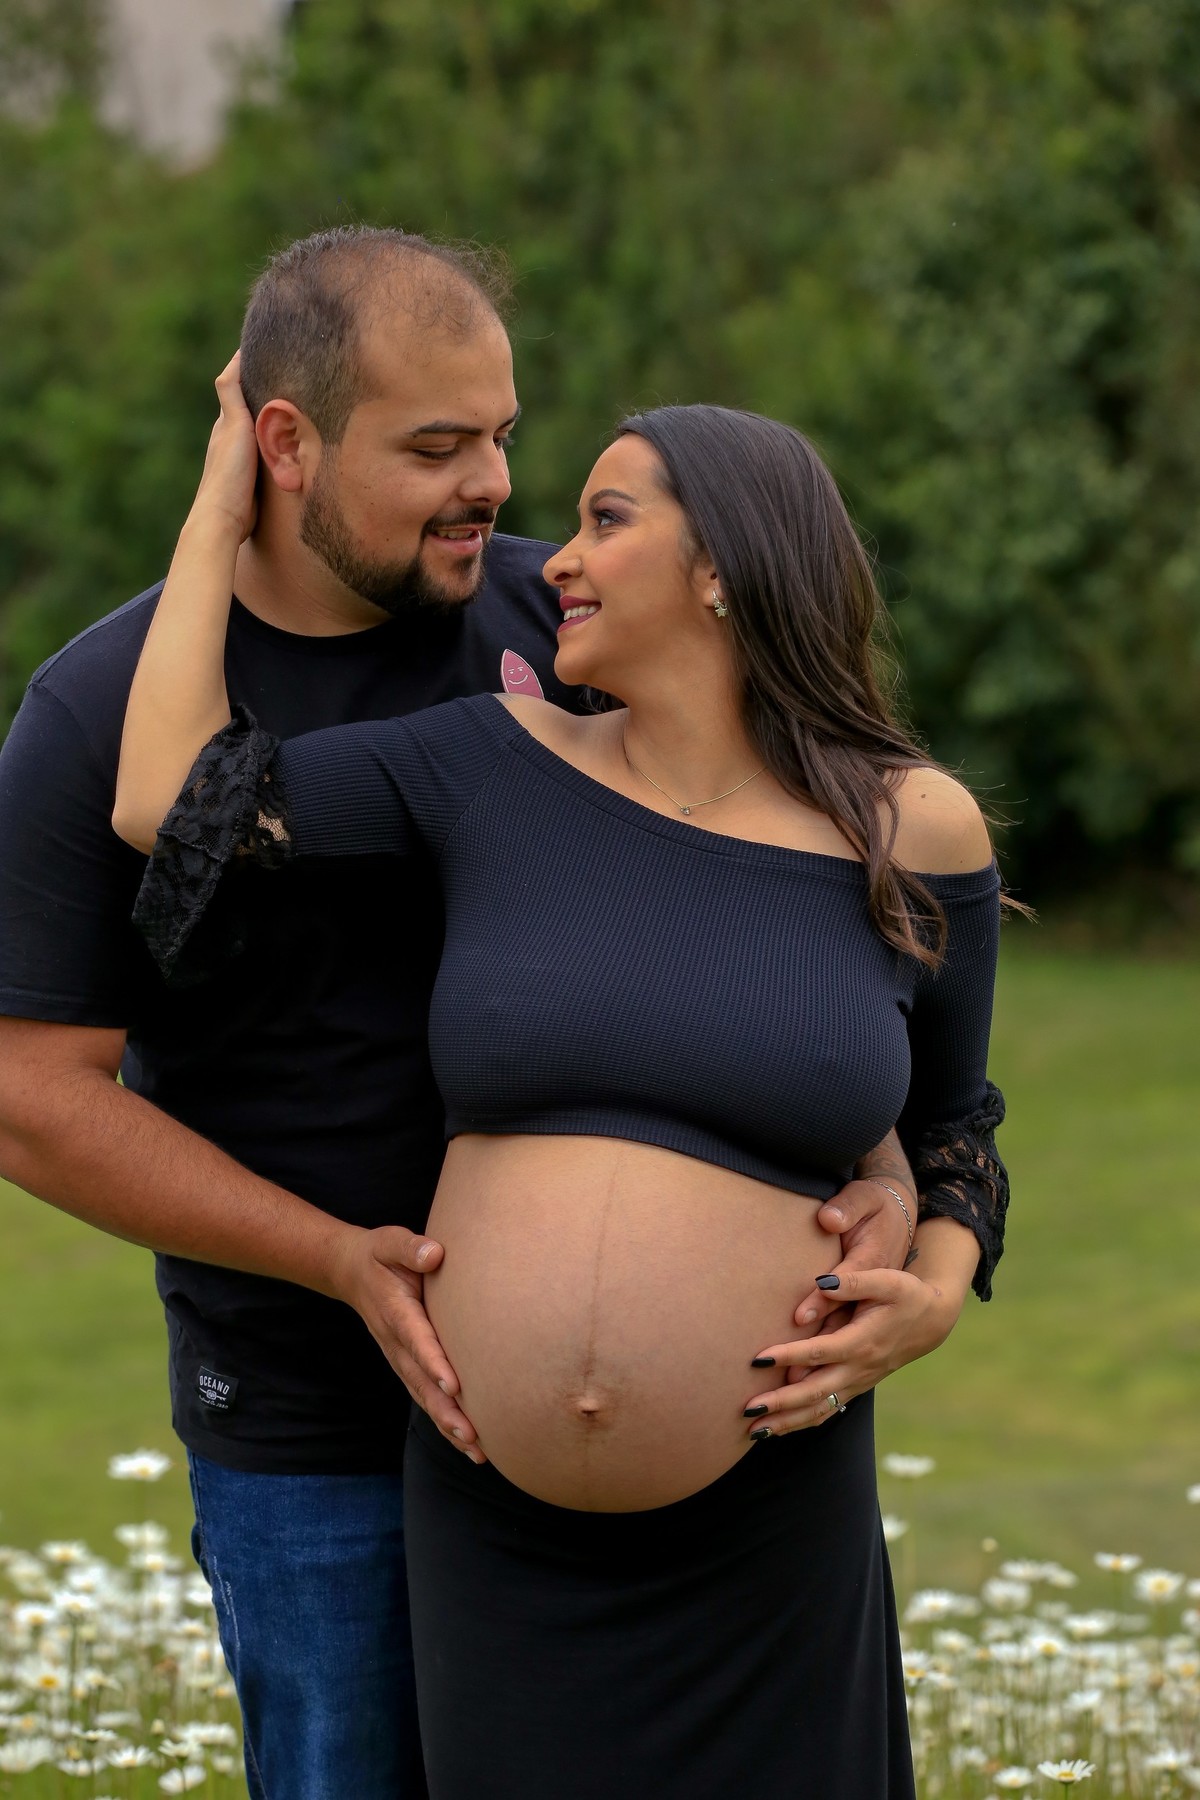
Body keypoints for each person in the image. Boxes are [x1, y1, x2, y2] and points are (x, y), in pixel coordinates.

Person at [0, 227, 926, 1799]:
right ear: (282, 443)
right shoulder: (103, 709)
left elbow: (791, 892)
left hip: (678, 1462)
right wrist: (335, 1259)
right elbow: (30, 1096)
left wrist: (884, 1163)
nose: (494, 484)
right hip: (317, 1426)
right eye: (436, 449)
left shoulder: (565, 628)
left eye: (502, 433)